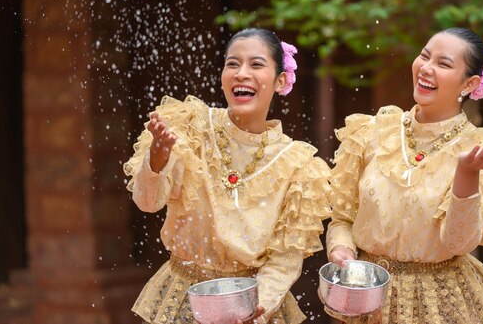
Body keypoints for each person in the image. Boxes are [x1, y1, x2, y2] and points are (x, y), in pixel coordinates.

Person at [124, 28, 331, 324]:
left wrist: (257, 308)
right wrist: (156, 158)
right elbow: (147, 202)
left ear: (280, 80)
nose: (241, 73)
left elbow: (284, 261)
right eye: (232, 64)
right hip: (184, 298)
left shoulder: (297, 164)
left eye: (256, 65)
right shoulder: (191, 127)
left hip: (254, 304)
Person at [325, 28, 483, 324]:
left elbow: (459, 243)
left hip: (436, 305)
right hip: (365, 297)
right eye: (424, 56)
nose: (426, 68)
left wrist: (467, 175)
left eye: (443, 64)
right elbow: (343, 217)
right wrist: (341, 248)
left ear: (469, 84)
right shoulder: (372, 132)